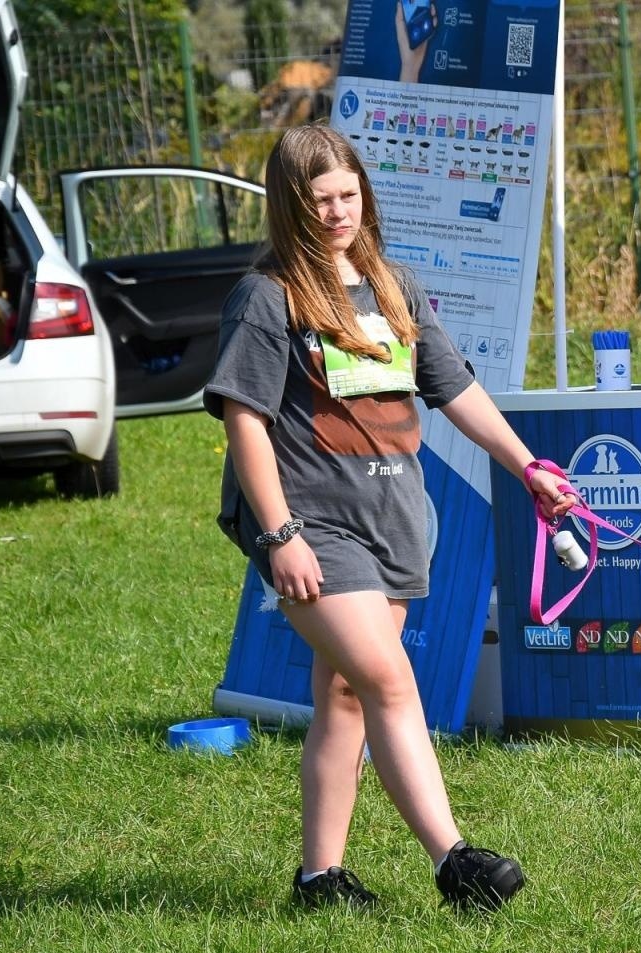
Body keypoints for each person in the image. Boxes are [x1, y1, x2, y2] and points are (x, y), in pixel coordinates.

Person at [203, 125, 576, 911]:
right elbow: (244, 421)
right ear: (289, 207)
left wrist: (529, 468)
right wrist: (279, 536)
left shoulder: (392, 284)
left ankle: (320, 881)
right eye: (318, 201)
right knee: (386, 674)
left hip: (395, 517)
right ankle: (456, 861)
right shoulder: (267, 297)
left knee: (343, 692)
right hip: (311, 523)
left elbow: (455, 389)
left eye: (347, 193)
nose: (338, 212)